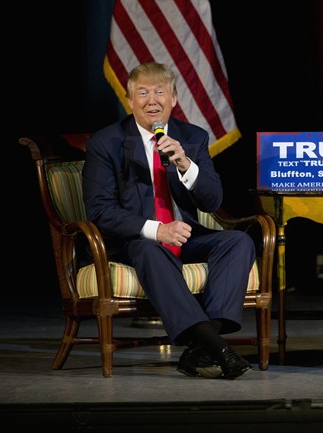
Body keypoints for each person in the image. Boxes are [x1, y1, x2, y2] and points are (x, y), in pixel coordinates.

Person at [82, 61, 255, 380]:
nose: (152, 100)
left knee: (238, 241)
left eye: (160, 92)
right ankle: (220, 350)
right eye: (143, 92)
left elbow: (213, 201)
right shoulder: (106, 142)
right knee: (149, 248)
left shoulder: (192, 137)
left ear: (174, 98)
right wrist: (157, 230)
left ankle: (202, 347)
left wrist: (186, 164)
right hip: (136, 242)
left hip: (185, 238)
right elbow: (100, 210)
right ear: (130, 100)